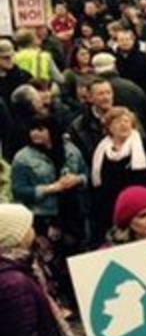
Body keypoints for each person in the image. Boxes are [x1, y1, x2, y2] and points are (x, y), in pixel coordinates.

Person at [11, 116, 89, 307]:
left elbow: (86, 173)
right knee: (51, 262)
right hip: (45, 216)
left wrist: (77, 180)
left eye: (40, 129)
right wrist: (49, 189)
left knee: (77, 255)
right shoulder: (23, 158)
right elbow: (19, 191)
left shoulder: (70, 150)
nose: (35, 133)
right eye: (32, 130)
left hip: (72, 212)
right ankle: (61, 303)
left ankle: (82, 298)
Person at [0, 204, 69, 336]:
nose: (33, 230)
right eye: (27, 227)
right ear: (15, 236)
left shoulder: (15, 269)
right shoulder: (13, 283)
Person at [92, 107, 146, 240]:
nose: (123, 125)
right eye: (118, 122)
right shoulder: (101, 152)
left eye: (126, 121)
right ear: (109, 127)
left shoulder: (145, 146)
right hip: (117, 213)